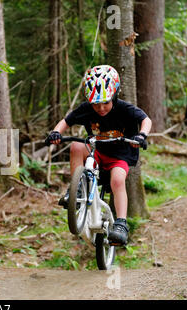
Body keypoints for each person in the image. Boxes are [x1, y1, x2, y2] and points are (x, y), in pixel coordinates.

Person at [46, 65, 152, 246]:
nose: (100, 108)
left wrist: (141, 135)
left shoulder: (124, 109)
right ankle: (77, 189)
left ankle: (120, 224)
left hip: (120, 156)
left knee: (118, 180)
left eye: (105, 102)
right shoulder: (86, 109)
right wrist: (56, 132)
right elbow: (66, 121)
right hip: (97, 152)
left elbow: (146, 120)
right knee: (77, 146)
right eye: (95, 104)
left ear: (114, 96)